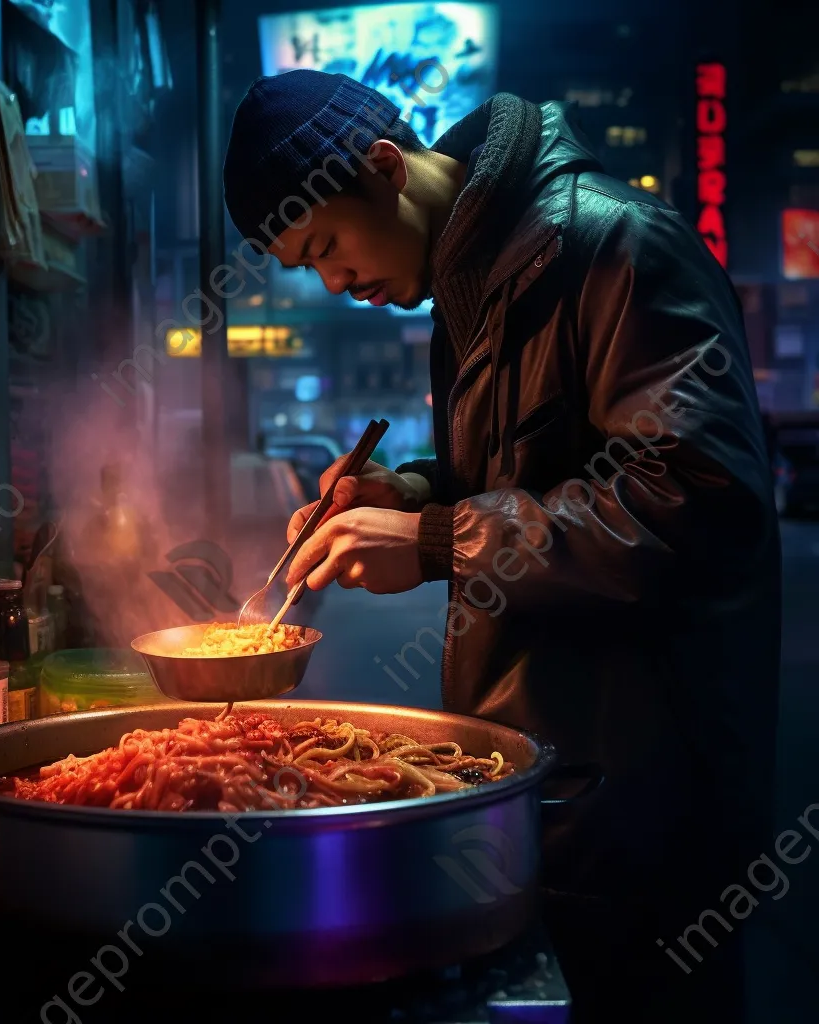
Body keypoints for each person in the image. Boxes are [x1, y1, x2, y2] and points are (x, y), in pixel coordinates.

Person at [223, 70, 780, 1022]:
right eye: (306, 269)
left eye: (325, 248)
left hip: (645, 804)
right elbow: (552, 466)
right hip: (556, 782)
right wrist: (415, 488)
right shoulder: (473, 278)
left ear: (385, 167)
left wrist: (439, 538)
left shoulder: (617, 245)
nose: (335, 284)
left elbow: (695, 501)